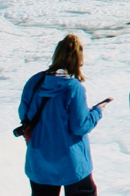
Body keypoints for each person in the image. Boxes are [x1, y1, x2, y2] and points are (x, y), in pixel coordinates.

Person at [20, 34, 107, 196]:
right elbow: (80, 126)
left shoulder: (35, 82)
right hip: (71, 162)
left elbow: (24, 115)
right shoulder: (73, 88)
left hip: (39, 159)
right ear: (78, 60)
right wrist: (97, 111)